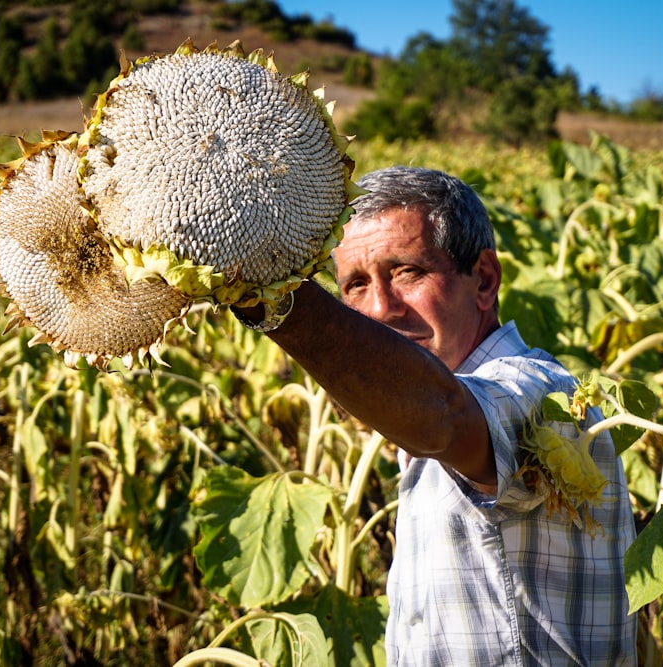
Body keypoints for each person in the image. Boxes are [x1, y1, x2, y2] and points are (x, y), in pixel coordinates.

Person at [232, 166, 637, 666]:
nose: (380, 308)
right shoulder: (423, 429)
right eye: (355, 285)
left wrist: (270, 296)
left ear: (483, 281)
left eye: (407, 272)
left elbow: (443, 414)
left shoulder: (544, 395)